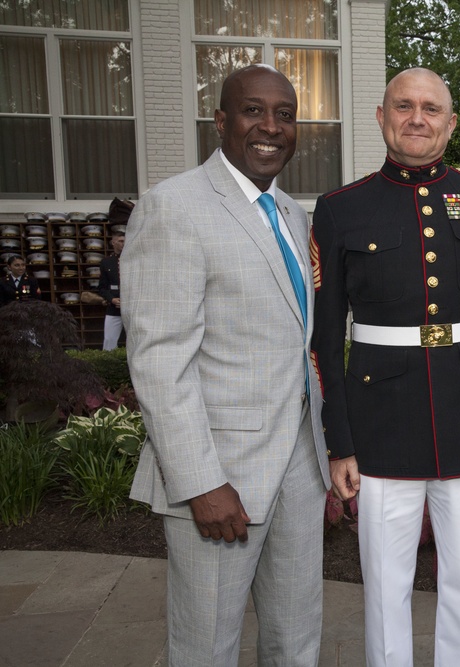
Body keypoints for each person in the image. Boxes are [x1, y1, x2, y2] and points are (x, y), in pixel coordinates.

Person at [311, 67, 460, 667]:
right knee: (385, 587)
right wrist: (339, 441)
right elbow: (323, 334)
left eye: (431, 108)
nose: (418, 118)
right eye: (404, 106)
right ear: (382, 117)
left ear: (451, 122)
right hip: (380, 421)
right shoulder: (341, 209)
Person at [121, 64, 331, 666]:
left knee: (296, 640)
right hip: (220, 477)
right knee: (206, 646)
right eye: (253, 111)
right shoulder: (174, 207)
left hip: (298, 464)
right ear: (221, 122)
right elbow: (160, 362)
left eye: (285, 116)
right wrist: (200, 482)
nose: (271, 127)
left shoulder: (291, 212)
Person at [98, 231, 125, 350]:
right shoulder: (106, 262)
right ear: (113, 242)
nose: (124, 244)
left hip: (132, 308)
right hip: (114, 308)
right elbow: (102, 288)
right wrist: (112, 299)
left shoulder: (134, 261)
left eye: (125, 241)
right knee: (109, 340)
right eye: (121, 241)